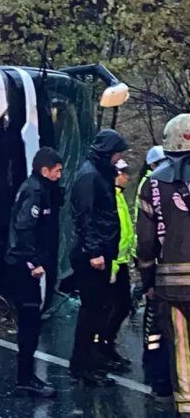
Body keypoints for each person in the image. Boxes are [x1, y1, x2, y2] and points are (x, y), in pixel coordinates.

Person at [136, 113, 190, 416]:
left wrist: (147, 280)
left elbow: (146, 242)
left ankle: (186, 405)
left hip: (171, 286)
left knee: (181, 347)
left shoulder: (152, 184)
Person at [69, 129, 129, 386]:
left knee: (99, 309)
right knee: (91, 311)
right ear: (108, 152)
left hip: (102, 252)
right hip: (93, 255)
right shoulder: (90, 176)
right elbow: (85, 216)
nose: (120, 157)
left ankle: (90, 360)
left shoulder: (98, 173)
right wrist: (94, 251)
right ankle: (82, 364)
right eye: (117, 153)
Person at [4, 146, 63, 398]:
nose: (60, 175)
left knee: (33, 321)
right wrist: (34, 262)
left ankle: (26, 375)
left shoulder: (43, 190)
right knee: (29, 322)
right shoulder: (34, 191)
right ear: (45, 170)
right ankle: (25, 378)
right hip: (26, 267)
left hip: (32, 264)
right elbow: (25, 228)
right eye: (57, 171)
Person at [134, 146, 173, 401]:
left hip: (162, 272)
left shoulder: (155, 186)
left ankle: (160, 379)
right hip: (162, 271)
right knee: (158, 331)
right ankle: (157, 376)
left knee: (161, 330)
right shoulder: (155, 186)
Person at [101, 158, 133, 372]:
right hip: (113, 264)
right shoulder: (110, 197)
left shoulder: (119, 197)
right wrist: (112, 267)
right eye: (122, 172)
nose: (126, 176)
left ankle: (108, 346)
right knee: (113, 308)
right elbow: (110, 233)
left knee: (123, 306)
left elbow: (126, 231)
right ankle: (103, 348)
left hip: (121, 262)